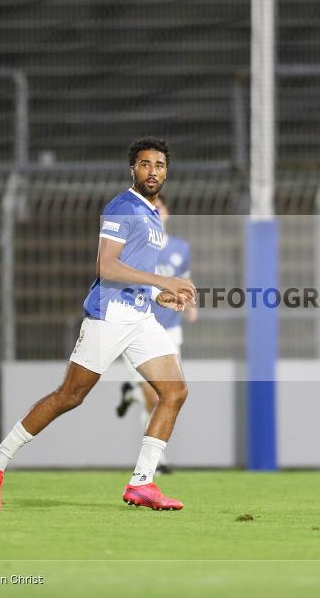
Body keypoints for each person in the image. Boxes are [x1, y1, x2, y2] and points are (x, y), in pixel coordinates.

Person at [0, 137, 197, 511]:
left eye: (159, 165)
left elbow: (134, 269)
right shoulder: (122, 206)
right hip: (109, 315)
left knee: (174, 392)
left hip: (139, 316)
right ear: (133, 169)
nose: (153, 171)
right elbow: (106, 267)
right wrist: (163, 282)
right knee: (70, 396)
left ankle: (142, 483)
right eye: (145, 164)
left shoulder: (151, 214)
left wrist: (156, 295)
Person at [115, 194, 197, 476]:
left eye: (160, 207)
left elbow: (184, 278)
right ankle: (152, 464)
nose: (156, 212)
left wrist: (190, 305)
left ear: (167, 213)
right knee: (155, 396)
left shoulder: (181, 248)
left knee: (166, 394)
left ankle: (154, 462)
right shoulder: (138, 246)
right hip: (140, 325)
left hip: (171, 329)